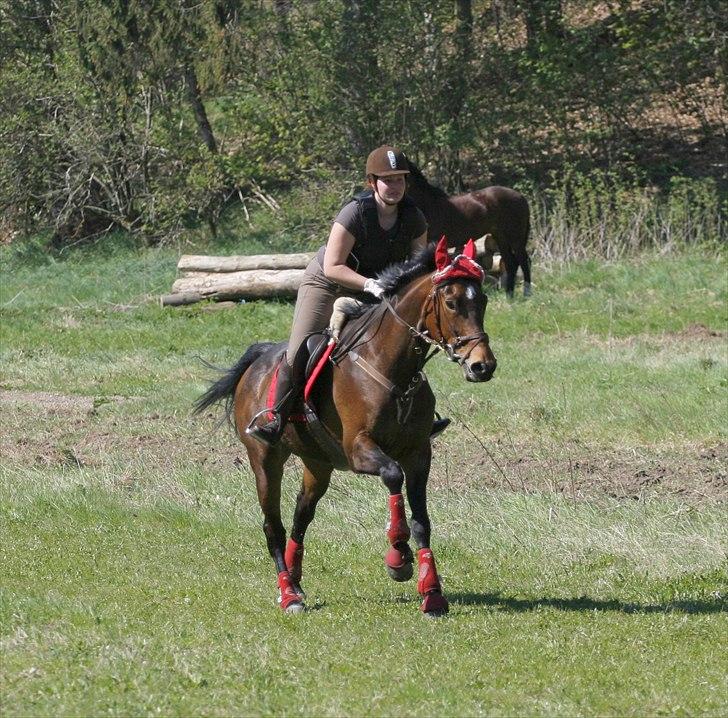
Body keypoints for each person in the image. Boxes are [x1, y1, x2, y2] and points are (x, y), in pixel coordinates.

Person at [247, 145, 450, 445]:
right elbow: (332, 266)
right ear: (371, 182)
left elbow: (417, 267)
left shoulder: (413, 218)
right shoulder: (355, 213)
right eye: (387, 179)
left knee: (407, 343)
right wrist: (369, 285)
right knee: (300, 349)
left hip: (379, 287)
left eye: (400, 180)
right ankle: (275, 417)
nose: (394, 186)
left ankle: (419, 418)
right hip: (328, 283)